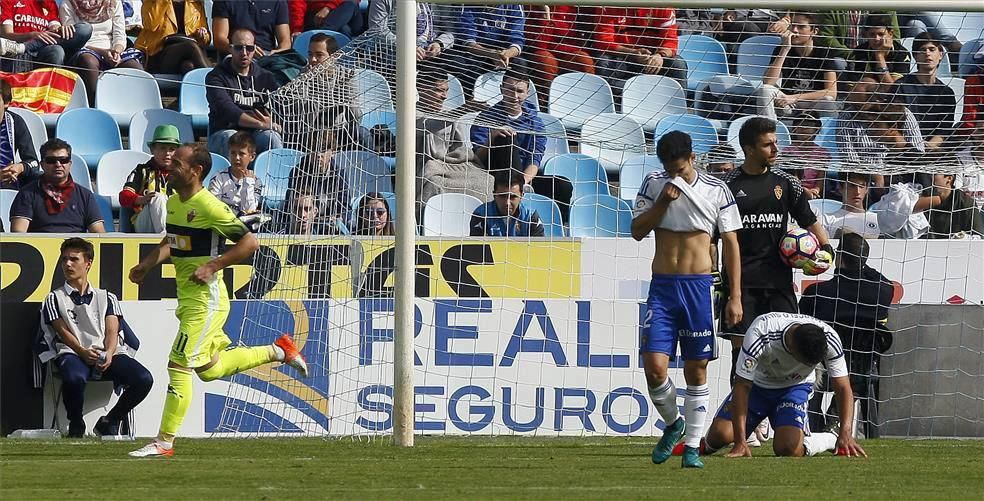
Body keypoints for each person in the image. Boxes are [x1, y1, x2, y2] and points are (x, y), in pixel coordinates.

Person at [127, 143, 308, 458]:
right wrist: (147, 263)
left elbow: (249, 243)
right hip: (188, 299)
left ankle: (164, 442)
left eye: (178, 163)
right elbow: (173, 241)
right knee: (209, 369)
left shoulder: (210, 207)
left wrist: (213, 265)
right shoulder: (171, 203)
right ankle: (279, 350)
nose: (170, 165)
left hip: (207, 301)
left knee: (178, 363)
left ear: (195, 171)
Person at [631, 130, 743, 469]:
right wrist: (664, 200)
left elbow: (732, 244)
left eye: (679, 169)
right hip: (663, 287)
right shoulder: (653, 184)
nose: (674, 175)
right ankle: (674, 424)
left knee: (697, 368)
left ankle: (693, 446)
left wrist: (735, 295)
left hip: (698, 288)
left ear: (692, 159)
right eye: (669, 169)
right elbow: (637, 230)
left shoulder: (716, 189)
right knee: (654, 367)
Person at [720, 117, 833, 382]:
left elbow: (810, 220)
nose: (775, 149)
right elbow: (718, 239)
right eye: (767, 145)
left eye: (776, 143)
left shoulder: (786, 182)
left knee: (787, 348)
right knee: (742, 355)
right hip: (741, 286)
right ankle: (745, 419)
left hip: (779, 282)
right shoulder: (728, 186)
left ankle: (780, 413)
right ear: (748, 149)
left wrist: (827, 249)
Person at [694, 312, 867, 458]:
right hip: (757, 387)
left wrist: (846, 431)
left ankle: (830, 438)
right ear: (791, 350)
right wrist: (740, 442)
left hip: (794, 388)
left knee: (788, 449)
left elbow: (843, 387)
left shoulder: (829, 337)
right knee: (720, 435)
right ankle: (703, 443)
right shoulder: (761, 333)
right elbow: (741, 386)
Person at [38, 237, 153, 438]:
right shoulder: (53, 298)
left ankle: (110, 420)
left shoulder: (107, 297)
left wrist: (109, 352)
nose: (67, 264)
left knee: (143, 379)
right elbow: (62, 332)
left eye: (74, 259)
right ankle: (76, 423)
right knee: (73, 377)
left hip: (106, 352)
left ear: (88, 263)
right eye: (64, 259)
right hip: (73, 352)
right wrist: (82, 352)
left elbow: (112, 331)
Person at [800, 231, 894, 437]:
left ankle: (822, 426)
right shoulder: (882, 290)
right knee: (856, 374)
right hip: (861, 370)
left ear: (839, 258)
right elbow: (881, 279)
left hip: (824, 369)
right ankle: (834, 419)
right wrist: (859, 263)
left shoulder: (817, 293)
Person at [469, 67, 573, 212]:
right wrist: (492, 137)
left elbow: (534, 160)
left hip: (524, 179)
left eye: (520, 91)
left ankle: (561, 228)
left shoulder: (536, 123)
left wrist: (522, 182)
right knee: (507, 137)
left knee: (562, 185)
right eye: (510, 90)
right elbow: (477, 159)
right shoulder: (485, 118)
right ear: (501, 89)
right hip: (494, 175)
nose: (514, 96)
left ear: (527, 93)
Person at [416, 62, 493, 210]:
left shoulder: (449, 114)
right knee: (434, 185)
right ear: (421, 88)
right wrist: (462, 110)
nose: (444, 96)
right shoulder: (410, 112)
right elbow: (425, 125)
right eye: (438, 91)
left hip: (451, 167)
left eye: (446, 91)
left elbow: (459, 149)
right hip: (427, 168)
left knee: (487, 180)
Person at [205, 28, 283, 160]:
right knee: (232, 138)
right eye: (239, 48)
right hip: (223, 133)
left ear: (255, 49)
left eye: (250, 48)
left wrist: (275, 122)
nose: (244, 53)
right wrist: (260, 124)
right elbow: (228, 111)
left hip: (256, 135)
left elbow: (281, 106)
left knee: (272, 137)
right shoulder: (215, 76)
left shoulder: (265, 77)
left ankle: (271, 179)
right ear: (230, 48)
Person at [9, 138, 106, 233]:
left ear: (70, 164)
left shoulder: (85, 195)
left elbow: (99, 233)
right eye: (51, 160)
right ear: (42, 164)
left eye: (63, 160)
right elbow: (19, 233)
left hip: (76, 247)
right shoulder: (26, 194)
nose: (58, 164)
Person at [60, 0, 145, 105]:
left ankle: (138, 108)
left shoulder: (114, 3)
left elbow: (119, 35)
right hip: (85, 48)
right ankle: (94, 105)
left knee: (135, 68)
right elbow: (73, 38)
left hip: (112, 49)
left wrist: (116, 52)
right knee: (88, 61)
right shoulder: (68, 4)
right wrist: (103, 52)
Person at [756, 11, 838, 120]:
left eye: (801, 27)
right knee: (765, 90)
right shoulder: (782, 48)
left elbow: (831, 92)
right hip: (786, 103)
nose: (794, 30)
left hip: (811, 104)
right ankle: (768, 131)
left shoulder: (825, 53)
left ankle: (825, 136)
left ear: (814, 31)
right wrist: (785, 49)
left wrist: (795, 98)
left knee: (828, 101)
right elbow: (768, 82)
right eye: (792, 26)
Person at [594, 7, 688, 96]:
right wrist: (631, 53)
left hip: (652, 58)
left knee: (678, 64)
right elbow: (603, 40)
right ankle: (620, 102)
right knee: (603, 63)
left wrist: (660, 56)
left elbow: (670, 40)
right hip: (621, 56)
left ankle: (678, 106)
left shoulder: (663, 6)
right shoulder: (609, 5)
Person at [890, 33, 956, 151]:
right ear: (915, 56)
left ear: (940, 54)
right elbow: (893, 126)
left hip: (933, 150)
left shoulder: (947, 93)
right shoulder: (901, 87)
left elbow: (944, 130)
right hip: (905, 148)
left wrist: (929, 147)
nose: (927, 53)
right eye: (922, 50)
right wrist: (914, 148)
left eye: (932, 49)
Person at [525, 5, 594, 109]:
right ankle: (549, 104)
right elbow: (539, 44)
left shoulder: (571, 6)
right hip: (539, 51)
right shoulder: (534, 6)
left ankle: (586, 102)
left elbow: (574, 40)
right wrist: (546, 16)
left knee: (584, 60)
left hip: (566, 50)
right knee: (546, 61)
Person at [450, 5, 525, 98]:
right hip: (476, 51)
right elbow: (468, 41)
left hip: (503, 52)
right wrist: (490, 53)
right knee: (459, 62)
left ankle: (514, 103)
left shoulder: (514, 5)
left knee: (521, 64)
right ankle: (469, 100)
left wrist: (507, 54)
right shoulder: (467, 5)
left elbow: (517, 38)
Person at [120, 125, 180, 233]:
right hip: (145, 224)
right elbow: (123, 196)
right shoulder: (141, 170)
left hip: (176, 221)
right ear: (152, 150)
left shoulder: (182, 174)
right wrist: (141, 199)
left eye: (172, 149)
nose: (167, 153)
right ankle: (166, 240)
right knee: (157, 197)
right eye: (162, 148)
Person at [0, 0, 92, 69]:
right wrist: (31, 35)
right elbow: (5, 35)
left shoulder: (50, 4)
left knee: (85, 29)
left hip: (40, 52)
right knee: (57, 51)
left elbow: (54, 29)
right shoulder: (8, 1)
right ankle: (22, 48)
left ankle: (24, 47)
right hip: (18, 55)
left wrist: (62, 30)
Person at [134, 0, 211, 75]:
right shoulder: (152, 2)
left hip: (189, 55)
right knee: (191, 47)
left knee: (188, 66)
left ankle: (210, 83)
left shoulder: (195, 3)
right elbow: (150, 24)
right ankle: (213, 80)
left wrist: (202, 34)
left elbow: (206, 41)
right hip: (160, 53)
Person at [366, 0, 454, 61]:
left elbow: (450, 31)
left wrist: (439, 43)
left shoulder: (435, 3)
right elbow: (377, 31)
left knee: (458, 62)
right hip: (396, 54)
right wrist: (407, 47)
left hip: (431, 52)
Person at [470, 170, 545, 237]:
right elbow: (477, 250)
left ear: (522, 195)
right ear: (494, 195)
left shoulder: (530, 216)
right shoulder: (481, 215)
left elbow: (539, 249)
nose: (507, 203)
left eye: (513, 197)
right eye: (502, 196)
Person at [845, 14, 911, 87]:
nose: (876, 39)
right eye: (872, 35)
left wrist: (879, 56)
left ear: (890, 34)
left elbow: (891, 89)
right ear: (866, 35)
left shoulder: (902, 54)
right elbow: (853, 89)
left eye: (881, 34)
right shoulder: (859, 52)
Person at [208, 131, 263, 216]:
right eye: (233, 153)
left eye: (242, 154)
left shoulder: (256, 182)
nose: (237, 158)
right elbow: (213, 207)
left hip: (244, 225)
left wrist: (247, 183)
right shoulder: (218, 177)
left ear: (252, 157)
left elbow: (249, 211)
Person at [0, 80, 41, 190]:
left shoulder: (16, 122)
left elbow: (33, 162)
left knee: (44, 179)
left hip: (9, 180)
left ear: (6, 103)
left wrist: (20, 167)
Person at [211, 0, 290, 57]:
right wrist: (244, 49)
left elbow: (285, 41)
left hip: (266, 57)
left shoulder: (278, 2)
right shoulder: (222, 2)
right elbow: (219, 40)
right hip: (236, 57)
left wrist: (277, 53)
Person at [816, 172, 882, 238]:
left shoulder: (878, 219)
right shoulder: (825, 220)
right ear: (840, 188)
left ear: (867, 189)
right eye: (852, 185)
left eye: (861, 186)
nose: (857, 192)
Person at [923, 171, 984, 239]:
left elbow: (978, 237)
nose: (930, 177)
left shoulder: (967, 203)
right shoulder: (922, 198)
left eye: (935, 174)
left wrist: (962, 237)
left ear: (949, 178)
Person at [289, 0, 362, 39]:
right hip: (318, 17)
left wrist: (328, 8)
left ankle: (321, 36)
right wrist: (297, 28)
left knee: (350, 3)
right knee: (344, 29)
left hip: (348, 13)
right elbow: (297, 5)